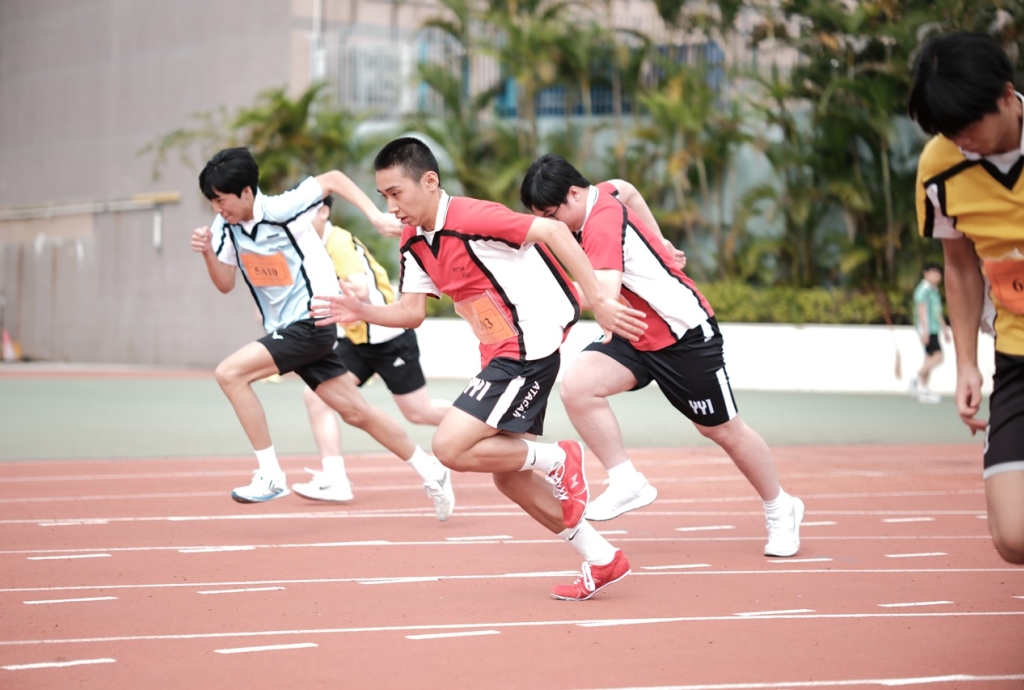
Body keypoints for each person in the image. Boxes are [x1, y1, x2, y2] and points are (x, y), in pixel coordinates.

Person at [312, 136, 648, 600]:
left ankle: (560, 459)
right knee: (509, 476)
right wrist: (362, 311)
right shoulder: (414, 240)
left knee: (449, 446)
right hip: (498, 352)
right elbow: (411, 312)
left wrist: (600, 301)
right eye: (384, 196)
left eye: (396, 193)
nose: (391, 207)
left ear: (430, 182)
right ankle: (602, 557)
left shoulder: (472, 217)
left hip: (527, 348)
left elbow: (552, 233)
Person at [521, 153, 805, 558]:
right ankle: (626, 481)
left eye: (552, 216)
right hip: (635, 330)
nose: (552, 227)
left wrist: (531, 302)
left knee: (723, 430)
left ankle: (781, 508)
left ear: (574, 194)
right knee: (579, 385)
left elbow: (603, 294)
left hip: (684, 336)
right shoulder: (601, 194)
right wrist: (661, 243)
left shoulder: (599, 224)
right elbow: (628, 189)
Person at [191, 147, 455, 521]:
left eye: (221, 200)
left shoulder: (283, 208)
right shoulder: (224, 228)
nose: (217, 208)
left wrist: (375, 217)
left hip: (312, 321)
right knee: (356, 411)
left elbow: (332, 179)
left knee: (230, 373)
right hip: (288, 329)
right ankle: (431, 471)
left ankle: (270, 474)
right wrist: (207, 253)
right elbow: (224, 284)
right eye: (212, 202)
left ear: (246, 191)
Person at [909, 31, 1024, 564]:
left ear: (1006, 95)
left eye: (968, 128)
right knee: (1014, 536)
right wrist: (967, 365)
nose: (963, 143)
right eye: (950, 133)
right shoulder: (939, 167)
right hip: (1017, 352)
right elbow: (958, 267)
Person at [294, 195, 450, 502]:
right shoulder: (311, 246)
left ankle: (482, 424)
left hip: (389, 337)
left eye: (302, 214)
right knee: (316, 396)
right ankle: (335, 478)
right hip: (356, 340)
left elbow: (361, 289)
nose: (295, 221)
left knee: (419, 412)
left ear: (323, 212)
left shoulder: (338, 242)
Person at [909, 262, 952, 403]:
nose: (937, 276)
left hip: (934, 329)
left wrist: (945, 329)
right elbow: (922, 312)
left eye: (938, 273)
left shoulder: (934, 291)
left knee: (929, 358)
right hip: (928, 330)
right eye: (933, 273)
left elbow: (937, 313)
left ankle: (924, 388)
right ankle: (916, 378)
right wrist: (925, 332)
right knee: (938, 357)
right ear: (925, 274)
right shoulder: (923, 290)